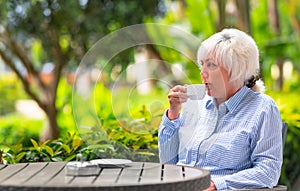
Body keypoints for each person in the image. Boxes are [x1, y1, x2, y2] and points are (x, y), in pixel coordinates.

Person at [158, 28, 283, 190]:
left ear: (237, 69)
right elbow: (168, 163)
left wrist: (217, 185)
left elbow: (268, 171)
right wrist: (173, 113)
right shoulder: (195, 103)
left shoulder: (263, 108)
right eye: (202, 65)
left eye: (211, 65)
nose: (203, 73)